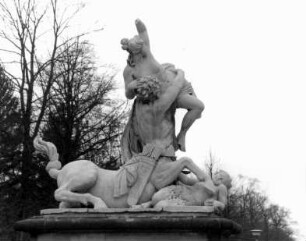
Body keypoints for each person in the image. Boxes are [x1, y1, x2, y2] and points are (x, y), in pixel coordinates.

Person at [121, 19, 204, 153]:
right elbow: (128, 95)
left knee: (198, 107)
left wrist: (138, 23)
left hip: (177, 86)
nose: (143, 50)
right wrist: (132, 86)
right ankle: (170, 147)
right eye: (140, 49)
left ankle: (182, 135)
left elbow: (143, 32)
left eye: (143, 48)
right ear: (132, 52)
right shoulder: (129, 71)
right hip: (165, 96)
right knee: (197, 107)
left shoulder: (146, 54)